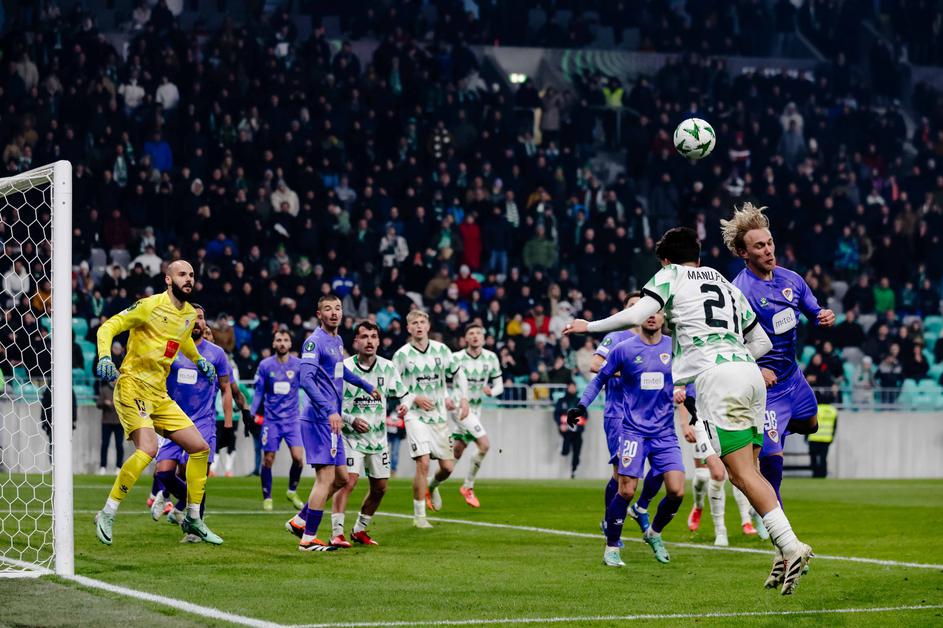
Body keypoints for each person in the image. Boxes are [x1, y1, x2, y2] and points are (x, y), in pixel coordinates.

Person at [565, 227, 813, 595]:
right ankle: (781, 549)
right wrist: (736, 359)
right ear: (697, 255)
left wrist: (589, 326)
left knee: (741, 474)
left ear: (665, 260)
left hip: (719, 379)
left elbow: (637, 314)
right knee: (751, 471)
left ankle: (791, 546)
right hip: (750, 374)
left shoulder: (671, 275)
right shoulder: (725, 282)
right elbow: (761, 340)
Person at [93, 260, 221, 545]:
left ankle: (193, 517)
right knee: (148, 449)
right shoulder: (148, 306)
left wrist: (199, 359)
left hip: (159, 394)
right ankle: (107, 512)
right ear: (168, 279)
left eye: (191, 275)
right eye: (182, 274)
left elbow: (183, 339)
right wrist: (105, 357)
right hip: (133, 386)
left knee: (200, 448)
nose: (188, 279)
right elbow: (108, 327)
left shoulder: (189, 314)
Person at [725, 203, 835, 528]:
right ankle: (782, 537)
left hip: (793, 379)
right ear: (744, 253)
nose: (768, 250)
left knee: (812, 425)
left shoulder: (792, 279)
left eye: (770, 242)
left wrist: (822, 315)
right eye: (759, 246)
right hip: (766, 388)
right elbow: (729, 344)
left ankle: (771, 433)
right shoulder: (738, 292)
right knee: (774, 464)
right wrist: (755, 369)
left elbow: (813, 309)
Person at [569, 309, 685, 566]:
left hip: (665, 432)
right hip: (633, 431)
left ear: (664, 317)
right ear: (637, 316)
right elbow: (599, 378)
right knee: (626, 490)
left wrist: (690, 398)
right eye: (647, 312)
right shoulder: (624, 349)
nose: (652, 316)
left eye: (657, 312)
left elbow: (691, 379)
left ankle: (653, 533)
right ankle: (612, 547)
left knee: (677, 491)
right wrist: (581, 405)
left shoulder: (675, 347)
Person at [285, 295, 379, 551]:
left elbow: (339, 370)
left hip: (331, 420)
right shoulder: (314, 342)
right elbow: (306, 380)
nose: (334, 312)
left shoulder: (336, 341)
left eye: (337, 308)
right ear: (319, 314)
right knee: (325, 478)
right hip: (319, 418)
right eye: (328, 309)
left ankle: (300, 520)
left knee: (341, 478)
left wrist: (365, 385)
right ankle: (308, 539)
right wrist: (328, 410)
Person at [149, 305, 232, 542]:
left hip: (203, 421)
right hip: (174, 419)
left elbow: (226, 388)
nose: (197, 321)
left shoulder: (216, 354)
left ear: (205, 323)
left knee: (195, 473)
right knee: (164, 473)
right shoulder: (171, 349)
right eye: (192, 318)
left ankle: (195, 526)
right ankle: (179, 501)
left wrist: (228, 423)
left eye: (201, 318)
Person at [330, 322, 411, 546]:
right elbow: (331, 405)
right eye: (364, 336)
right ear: (356, 341)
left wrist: (405, 405)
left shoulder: (388, 367)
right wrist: (351, 420)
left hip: (378, 439)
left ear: (378, 341)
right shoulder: (344, 367)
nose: (369, 341)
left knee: (380, 488)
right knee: (348, 482)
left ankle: (359, 530)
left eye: (373, 336)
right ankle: (337, 533)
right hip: (350, 436)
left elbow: (405, 394)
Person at [393, 310, 468, 528]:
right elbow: (393, 384)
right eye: (414, 323)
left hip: (439, 416)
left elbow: (459, 373)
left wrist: (463, 398)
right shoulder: (401, 355)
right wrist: (413, 398)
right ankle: (419, 517)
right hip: (415, 416)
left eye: (422, 322)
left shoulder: (441, 350)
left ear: (428, 326)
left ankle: (432, 487)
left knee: (447, 468)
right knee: (423, 462)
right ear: (408, 328)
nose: (419, 326)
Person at [589, 292, 639, 542]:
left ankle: (631, 512)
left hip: (646, 418)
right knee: (622, 471)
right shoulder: (616, 337)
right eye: (631, 305)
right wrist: (624, 371)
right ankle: (611, 523)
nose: (637, 308)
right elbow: (595, 364)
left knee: (639, 474)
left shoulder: (656, 341)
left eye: (641, 305)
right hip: (618, 413)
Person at [680, 383, 756, 546]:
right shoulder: (694, 367)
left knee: (735, 471)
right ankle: (699, 506)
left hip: (725, 422)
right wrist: (685, 424)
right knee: (704, 475)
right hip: (700, 422)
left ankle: (744, 520)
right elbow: (681, 390)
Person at [449, 323, 503, 508]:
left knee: (457, 450)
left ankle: (431, 485)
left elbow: (499, 384)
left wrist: (492, 391)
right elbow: (440, 380)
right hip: (459, 407)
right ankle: (468, 486)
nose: (475, 336)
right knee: (485, 444)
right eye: (471, 333)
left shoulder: (491, 358)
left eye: (478, 333)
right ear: (465, 338)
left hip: (476, 410)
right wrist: (446, 398)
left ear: (483, 337)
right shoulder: (456, 358)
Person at [252, 330, 305, 511]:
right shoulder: (265, 365)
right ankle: (267, 497)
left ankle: (292, 491)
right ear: (274, 343)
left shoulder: (298, 365)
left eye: (285, 340)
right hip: (271, 421)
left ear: (290, 344)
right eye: (279, 340)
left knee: (298, 458)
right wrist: (252, 412)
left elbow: (309, 386)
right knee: (268, 459)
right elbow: (259, 392)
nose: (282, 343)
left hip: (292, 421)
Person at [554, 381, 584, 477]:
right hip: (566, 431)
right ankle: (562, 446)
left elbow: (584, 415)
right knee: (565, 451)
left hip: (577, 431)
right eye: (570, 387)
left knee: (576, 452)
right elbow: (556, 414)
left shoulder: (580, 401)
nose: (572, 389)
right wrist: (560, 424)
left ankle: (574, 470)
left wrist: (579, 423)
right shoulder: (561, 401)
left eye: (573, 387)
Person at [97, 379, 123, 475]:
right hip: (106, 422)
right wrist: (105, 403)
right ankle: (103, 467)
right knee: (104, 445)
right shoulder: (104, 390)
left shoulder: (122, 390)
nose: (115, 380)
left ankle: (119, 467)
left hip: (119, 423)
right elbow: (98, 404)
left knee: (119, 446)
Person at [808, 400, 837, 478]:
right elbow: (835, 426)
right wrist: (832, 437)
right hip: (826, 439)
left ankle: (815, 474)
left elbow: (809, 422)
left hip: (814, 438)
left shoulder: (815, 408)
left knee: (813, 458)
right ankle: (823, 474)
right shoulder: (833, 410)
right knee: (823, 458)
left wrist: (806, 436)